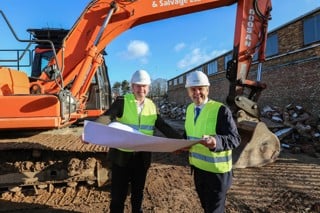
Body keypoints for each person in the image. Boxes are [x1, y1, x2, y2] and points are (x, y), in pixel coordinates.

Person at [98, 69, 182, 213]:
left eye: (144, 86)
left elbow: (163, 126)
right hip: (121, 157)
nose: (141, 89)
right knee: (118, 195)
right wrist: (91, 131)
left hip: (142, 158)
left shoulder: (152, 106)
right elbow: (106, 118)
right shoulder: (122, 102)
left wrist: (181, 141)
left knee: (138, 193)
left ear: (148, 88)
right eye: (138, 85)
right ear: (132, 87)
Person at [183, 70, 241, 213]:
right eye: (193, 89)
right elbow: (188, 134)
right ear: (188, 92)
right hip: (198, 170)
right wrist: (181, 144)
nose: (197, 93)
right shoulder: (190, 109)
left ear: (207, 90)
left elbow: (235, 139)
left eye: (200, 89)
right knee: (206, 207)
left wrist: (215, 142)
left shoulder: (221, 110)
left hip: (217, 174)